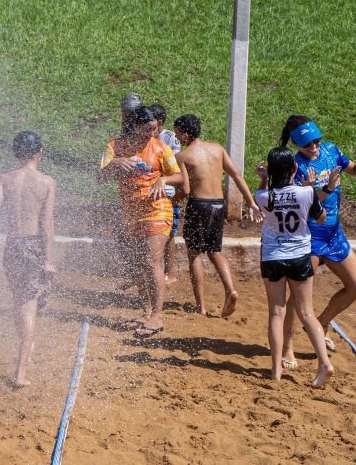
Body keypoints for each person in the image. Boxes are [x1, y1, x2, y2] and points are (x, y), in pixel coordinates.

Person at [278, 115, 356, 365]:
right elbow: (305, 202)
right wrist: (329, 188)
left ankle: (322, 322)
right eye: (308, 145)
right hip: (308, 237)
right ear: (296, 145)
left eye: (317, 141)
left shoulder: (331, 151)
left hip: (333, 233)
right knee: (299, 298)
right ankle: (287, 347)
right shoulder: (294, 167)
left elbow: (352, 168)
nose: (314, 147)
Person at [97, 106, 183, 338]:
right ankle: (145, 311)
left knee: (151, 260)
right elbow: (100, 176)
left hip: (157, 209)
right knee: (137, 264)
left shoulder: (160, 148)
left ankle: (157, 315)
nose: (152, 134)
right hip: (131, 214)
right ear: (135, 127)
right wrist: (115, 164)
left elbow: (180, 177)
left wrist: (163, 179)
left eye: (154, 129)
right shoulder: (114, 148)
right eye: (147, 130)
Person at [254, 147, 334, 389]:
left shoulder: (262, 196)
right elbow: (321, 219)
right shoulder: (306, 193)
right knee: (307, 313)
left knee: (276, 314)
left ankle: (276, 370)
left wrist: (264, 177)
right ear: (295, 169)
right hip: (300, 256)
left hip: (272, 256)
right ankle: (324, 364)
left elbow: (265, 192)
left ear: (270, 170)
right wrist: (311, 187)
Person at [0, 131, 56, 387]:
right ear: (40, 152)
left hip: (11, 246)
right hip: (33, 247)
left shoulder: (7, 179)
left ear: (15, 153)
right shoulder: (47, 182)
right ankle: (20, 374)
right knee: (30, 306)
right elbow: (46, 222)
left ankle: (27, 346)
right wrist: (47, 259)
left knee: (19, 299)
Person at [172, 114, 261, 317]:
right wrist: (251, 203)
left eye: (177, 133)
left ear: (185, 134)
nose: (176, 137)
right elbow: (237, 175)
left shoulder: (183, 156)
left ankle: (200, 307)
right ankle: (230, 289)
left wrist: (169, 202)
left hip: (199, 205)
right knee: (215, 251)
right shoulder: (218, 149)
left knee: (194, 253)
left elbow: (185, 190)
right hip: (218, 206)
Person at [149, 103, 182, 285]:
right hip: (150, 192)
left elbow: (176, 164)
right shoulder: (145, 137)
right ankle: (154, 270)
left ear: (159, 121)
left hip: (167, 192)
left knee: (169, 233)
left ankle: (170, 273)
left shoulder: (169, 138)